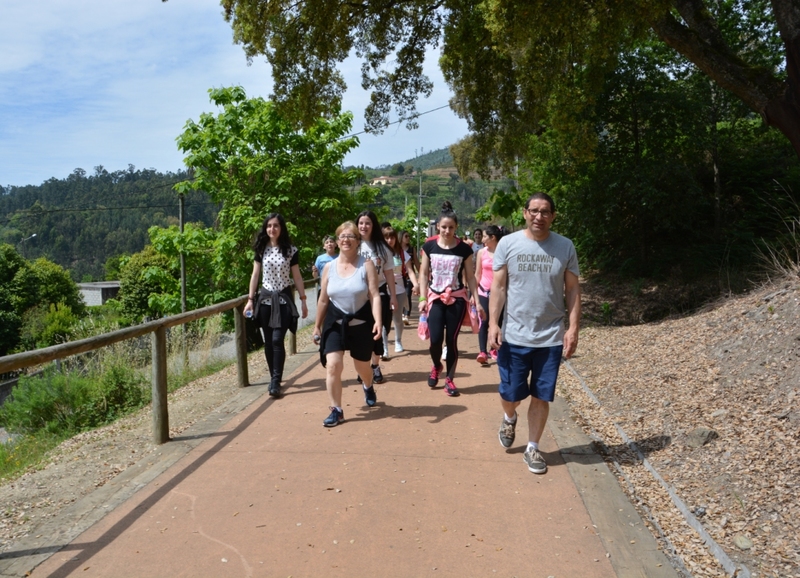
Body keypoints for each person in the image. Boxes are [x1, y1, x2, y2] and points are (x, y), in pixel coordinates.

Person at [489, 193, 581, 475]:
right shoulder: (508, 243)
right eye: (534, 211)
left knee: (541, 396)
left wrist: (573, 327)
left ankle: (533, 448)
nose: (539, 216)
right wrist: (493, 323)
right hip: (514, 335)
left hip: (550, 337)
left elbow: (573, 289)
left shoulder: (564, 247)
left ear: (553, 216)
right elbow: (499, 287)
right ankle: (509, 416)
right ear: (525, 213)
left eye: (545, 212)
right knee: (510, 393)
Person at [313, 222, 382, 427]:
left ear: (358, 241)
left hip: (361, 323)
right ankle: (337, 410)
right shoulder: (328, 267)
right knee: (333, 365)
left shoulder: (366, 265)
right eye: (342, 236)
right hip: (335, 323)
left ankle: (368, 385)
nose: (346, 240)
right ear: (336, 241)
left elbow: (375, 295)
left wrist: (378, 321)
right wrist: (317, 325)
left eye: (351, 236)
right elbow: (324, 299)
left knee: (362, 367)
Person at [418, 201, 483, 397]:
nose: (447, 230)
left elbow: (470, 277)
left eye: (451, 227)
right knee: (436, 340)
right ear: (438, 226)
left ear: (456, 228)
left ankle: (450, 379)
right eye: (444, 227)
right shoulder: (429, 246)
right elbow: (423, 274)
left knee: (451, 340)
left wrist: (476, 300)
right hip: (435, 298)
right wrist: (422, 297)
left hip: (457, 298)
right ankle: (437, 365)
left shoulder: (464, 249)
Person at [243, 213, 309, 398]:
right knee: (268, 340)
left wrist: (303, 300)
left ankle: (275, 380)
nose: (272, 229)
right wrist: (250, 300)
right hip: (265, 299)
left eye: (276, 226)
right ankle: (274, 377)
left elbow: (296, 276)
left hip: (283, 298)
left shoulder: (291, 250)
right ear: (266, 228)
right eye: (269, 226)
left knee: (277, 339)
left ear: (282, 228)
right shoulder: (261, 249)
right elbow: (255, 275)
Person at [357, 211, 398, 375]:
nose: (364, 226)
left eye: (367, 223)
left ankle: (375, 366)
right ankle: (362, 367)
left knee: (377, 329)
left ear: (373, 226)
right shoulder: (353, 244)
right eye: (361, 223)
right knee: (360, 332)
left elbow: (388, 273)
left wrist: (393, 296)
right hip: (358, 293)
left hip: (379, 292)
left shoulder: (382, 248)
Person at [383, 226, 419, 352]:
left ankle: (398, 340)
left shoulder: (401, 253)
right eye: (386, 237)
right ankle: (384, 346)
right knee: (384, 320)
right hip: (383, 290)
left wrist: (416, 284)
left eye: (391, 237)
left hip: (399, 290)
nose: (389, 240)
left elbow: (410, 270)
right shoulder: (379, 253)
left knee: (397, 319)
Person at [474, 225, 505, 364]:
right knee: (484, 321)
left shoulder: (504, 252)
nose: (483, 238)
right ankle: (482, 351)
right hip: (483, 291)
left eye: (485, 236)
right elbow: (477, 274)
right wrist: (473, 294)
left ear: (493, 237)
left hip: (499, 293)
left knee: (498, 321)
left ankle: (495, 348)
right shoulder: (481, 252)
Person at [398, 229, 420, 325]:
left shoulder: (411, 249)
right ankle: (400, 314)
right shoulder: (396, 249)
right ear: (401, 237)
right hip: (398, 276)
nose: (408, 238)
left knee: (407, 294)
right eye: (406, 236)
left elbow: (416, 262)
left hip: (408, 276)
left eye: (409, 236)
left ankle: (406, 315)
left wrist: (421, 275)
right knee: (400, 295)